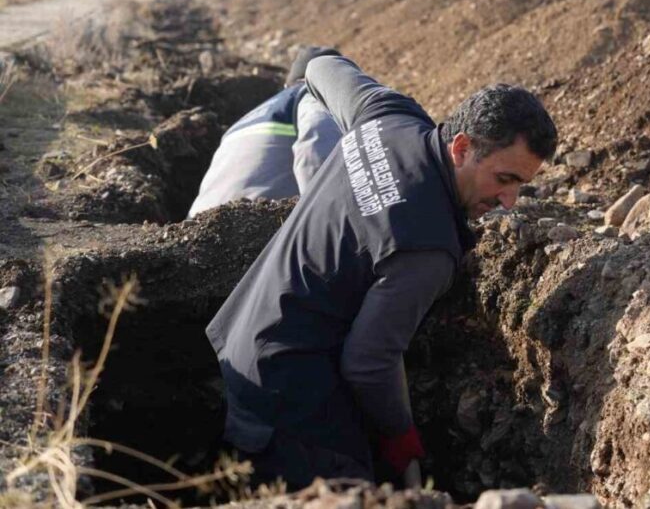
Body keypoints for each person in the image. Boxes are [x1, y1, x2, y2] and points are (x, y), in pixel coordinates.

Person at [205, 54, 558, 490]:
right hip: (287, 392)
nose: (510, 201)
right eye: (504, 179)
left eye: (521, 184)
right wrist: (400, 436)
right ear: (462, 147)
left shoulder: (388, 116)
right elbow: (369, 361)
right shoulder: (426, 248)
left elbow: (319, 67)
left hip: (244, 338)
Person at [187, 46, 343, 218]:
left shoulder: (243, 121)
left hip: (196, 225)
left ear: (286, 84)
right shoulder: (313, 94)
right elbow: (317, 150)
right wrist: (333, 217)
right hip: (253, 224)